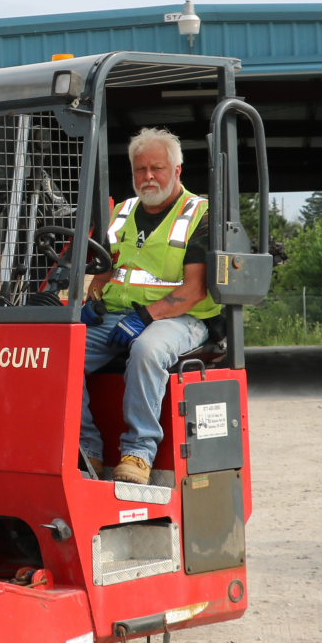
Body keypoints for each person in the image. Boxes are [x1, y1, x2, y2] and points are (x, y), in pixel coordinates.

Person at [79, 126, 222, 484]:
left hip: (182, 318)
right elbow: (105, 269)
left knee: (146, 349)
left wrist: (144, 317)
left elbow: (194, 291)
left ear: (176, 170)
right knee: (61, 353)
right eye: (140, 170)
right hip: (118, 316)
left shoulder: (200, 215)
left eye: (156, 168)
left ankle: (138, 453)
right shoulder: (123, 211)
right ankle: (88, 451)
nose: (148, 177)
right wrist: (91, 300)